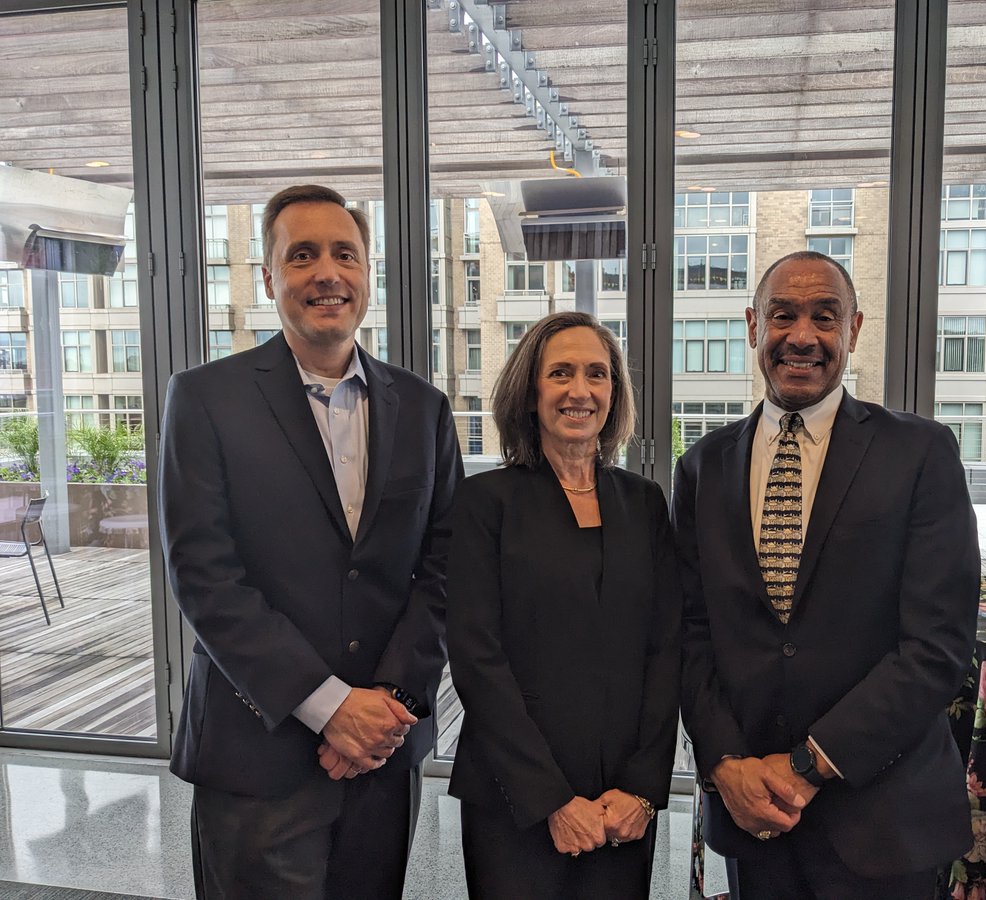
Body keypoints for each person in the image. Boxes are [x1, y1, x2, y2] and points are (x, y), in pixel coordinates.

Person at [158, 184, 463, 899]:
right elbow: (204, 574)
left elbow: (444, 568)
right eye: (302, 255)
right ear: (269, 278)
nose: (327, 272)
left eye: (344, 254)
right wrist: (329, 706)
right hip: (256, 753)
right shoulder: (206, 399)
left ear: (367, 274)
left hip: (383, 754)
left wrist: (383, 704)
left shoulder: (423, 408)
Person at [673, 250, 980, 898]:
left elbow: (936, 645)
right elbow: (691, 634)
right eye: (783, 315)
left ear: (855, 330)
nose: (802, 336)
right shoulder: (702, 467)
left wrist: (808, 765)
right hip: (752, 816)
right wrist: (725, 764)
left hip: (882, 819)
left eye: (824, 317)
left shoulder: (920, 454)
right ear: (754, 326)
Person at [446, 311, 681, 899]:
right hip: (515, 799)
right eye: (561, 373)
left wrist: (643, 789)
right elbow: (477, 658)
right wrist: (548, 799)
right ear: (531, 391)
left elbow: (666, 648)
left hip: (622, 804)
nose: (581, 390)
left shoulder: (645, 503)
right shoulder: (484, 503)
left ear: (614, 392)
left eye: (597, 374)